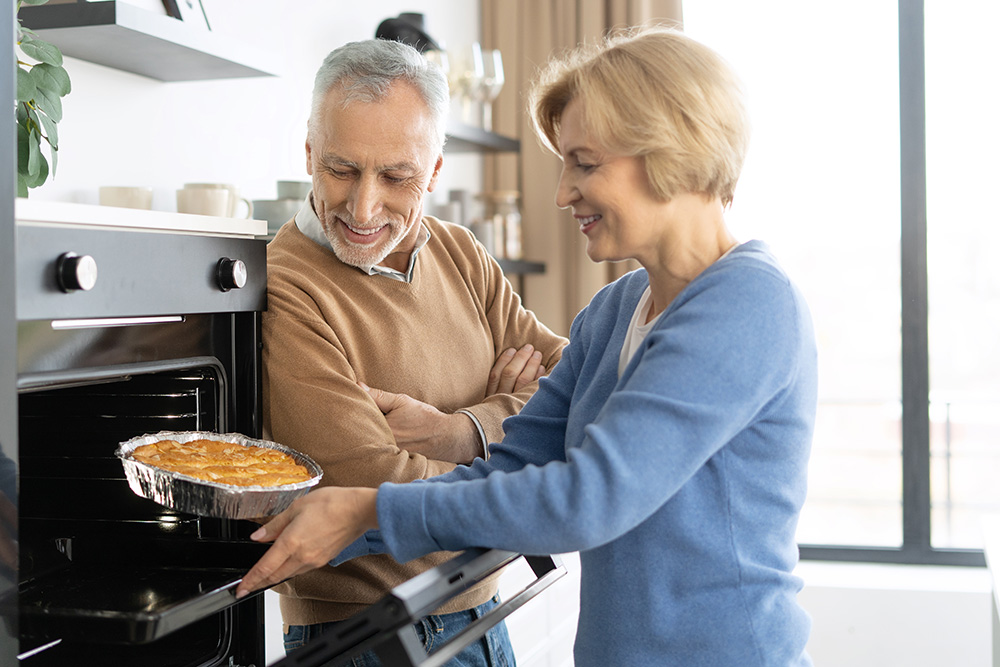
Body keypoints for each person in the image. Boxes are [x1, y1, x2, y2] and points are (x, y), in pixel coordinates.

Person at [240, 26, 817, 667]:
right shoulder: (616, 310)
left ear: (671, 153)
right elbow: (514, 463)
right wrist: (419, 466)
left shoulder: (747, 305)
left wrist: (377, 502)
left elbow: (587, 497)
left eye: (585, 163)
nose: (562, 192)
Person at [261, 38, 567, 666]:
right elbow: (374, 490)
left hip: (489, 608)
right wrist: (520, 448)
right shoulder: (284, 287)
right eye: (341, 169)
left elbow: (578, 393)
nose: (363, 206)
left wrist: (467, 430)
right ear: (311, 154)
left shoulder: (459, 252)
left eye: (396, 177)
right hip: (371, 638)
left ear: (433, 171)